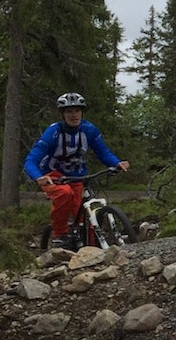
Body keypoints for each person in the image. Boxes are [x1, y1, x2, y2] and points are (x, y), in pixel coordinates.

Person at [24, 92, 129, 249]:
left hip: (77, 176)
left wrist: (116, 163)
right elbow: (31, 160)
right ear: (62, 114)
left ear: (82, 112)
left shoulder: (89, 130)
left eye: (77, 111)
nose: (74, 115)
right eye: (69, 111)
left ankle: (92, 246)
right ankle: (59, 235)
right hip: (53, 176)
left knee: (84, 216)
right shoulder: (53, 133)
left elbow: (103, 152)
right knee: (64, 194)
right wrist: (38, 177)